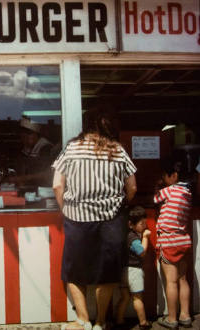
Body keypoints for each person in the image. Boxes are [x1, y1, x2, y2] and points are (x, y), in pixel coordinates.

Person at [52, 104, 137, 330]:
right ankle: (100, 322)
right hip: (111, 220)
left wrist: (66, 209)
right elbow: (133, 188)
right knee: (107, 273)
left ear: (86, 125)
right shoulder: (118, 150)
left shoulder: (71, 149)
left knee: (74, 271)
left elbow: (57, 185)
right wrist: (119, 203)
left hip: (77, 218)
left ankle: (82, 320)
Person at [154, 158, 193, 329]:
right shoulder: (188, 193)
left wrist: (158, 186)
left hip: (169, 240)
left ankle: (171, 318)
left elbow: (155, 199)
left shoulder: (169, 190)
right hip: (183, 239)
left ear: (174, 176)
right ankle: (185, 316)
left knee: (171, 282)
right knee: (183, 279)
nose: (163, 179)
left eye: (165, 176)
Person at [115, 206, 152, 330]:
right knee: (137, 298)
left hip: (124, 271)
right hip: (134, 271)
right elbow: (141, 252)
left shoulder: (127, 236)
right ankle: (143, 323)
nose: (145, 226)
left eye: (145, 223)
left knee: (125, 297)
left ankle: (119, 320)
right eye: (142, 223)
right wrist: (146, 237)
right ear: (131, 224)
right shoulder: (133, 238)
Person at [10, 116, 54, 186]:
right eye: (23, 136)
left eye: (28, 135)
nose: (25, 139)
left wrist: (24, 178)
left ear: (36, 134)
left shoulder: (45, 147)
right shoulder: (27, 148)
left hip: (44, 188)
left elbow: (46, 173)